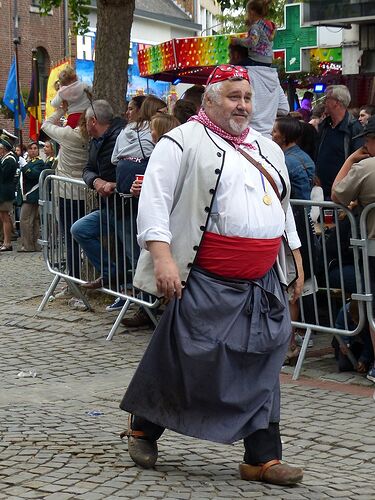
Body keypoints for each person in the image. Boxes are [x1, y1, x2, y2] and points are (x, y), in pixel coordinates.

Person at [119, 65, 304, 485]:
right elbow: (154, 203)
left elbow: (282, 206)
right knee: (186, 359)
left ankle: (262, 456)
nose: (242, 105)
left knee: (263, 360)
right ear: (210, 100)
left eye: (247, 97)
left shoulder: (267, 148)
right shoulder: (181, 142)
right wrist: (163, 258)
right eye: (233, 96)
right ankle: (144, 426)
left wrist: (294, 255)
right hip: (203, 277)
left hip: (261, 280)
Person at [331, 115, 375, 383]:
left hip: (372, 247)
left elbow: (336, 194)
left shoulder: (367, 167)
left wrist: (350, 160)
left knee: (373, 306)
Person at [272, 116, 317, 362]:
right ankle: (292, 338)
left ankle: (289, 343)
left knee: (291, 285)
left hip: (292, 226)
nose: (271, 134)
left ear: (285, 135)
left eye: (275, 131)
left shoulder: (286, 161)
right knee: (296, 284)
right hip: (301, 223)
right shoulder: (303, 157)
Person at [70, 100, 125, 288]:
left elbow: (133, 168)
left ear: (93, 121)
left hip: (127, 208)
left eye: (85, 121)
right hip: (109, 207)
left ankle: (144, 302)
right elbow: (87, 169)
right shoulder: (95, 141)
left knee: (132, 254)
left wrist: (115, 185)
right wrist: (96, 181)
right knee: (80, 229)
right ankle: (112, 275)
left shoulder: (122, 136)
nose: (84, 126)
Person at [41, 101, 89, 280]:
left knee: (70, 238)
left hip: (68, 192)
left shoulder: (68, 135)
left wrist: (61, 109)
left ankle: (74, 276)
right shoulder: (91, 137)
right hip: (87, 191)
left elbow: (45, 125)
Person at [229, 44, 289, 138]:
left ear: (236, 55)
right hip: (269, 138)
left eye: (230, 55)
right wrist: (267, 113)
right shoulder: (273, 77)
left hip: (246, 138)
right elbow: (284, 108)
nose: (229, 60)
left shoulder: (242, 75)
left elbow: (248, 109)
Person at [315, 85, 363, 199]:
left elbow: (358, 160)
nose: (324, 102)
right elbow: (317, 151)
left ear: (336, 102)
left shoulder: (354, 128)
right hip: (322, 189)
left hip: (342, 191)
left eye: (327, 99)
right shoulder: (324, 126)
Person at [18, 142, 47, 252]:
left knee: (24, 219)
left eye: (35, 148)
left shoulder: (39, 162)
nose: (33, 150)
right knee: (33, 221)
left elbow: (34, 175)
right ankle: (33, 245)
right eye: (31, 148)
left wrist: (25, 166)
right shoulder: (30, 162)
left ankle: (28, 245)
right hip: (29, 195)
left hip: (32, 194)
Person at [232, 0, 276, 67]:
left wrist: (237, 41)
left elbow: (252, 42)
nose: (246, 15)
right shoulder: (266, 25)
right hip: (268, 60)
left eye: (247, 12)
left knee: (235, 66)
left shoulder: (255, 27)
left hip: (257, 60)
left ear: (252, 12)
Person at [0, 132, 18, 251]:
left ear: (4, 148)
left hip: (5, 192)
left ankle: (7, 242)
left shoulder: (10, 159)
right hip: (3, 192)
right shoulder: (5, 159)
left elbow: (3, 176)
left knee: (5, 217)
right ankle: (5, 241)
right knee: (3, 217)